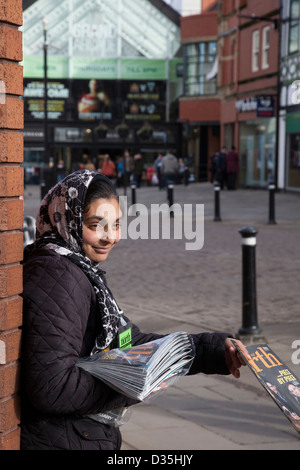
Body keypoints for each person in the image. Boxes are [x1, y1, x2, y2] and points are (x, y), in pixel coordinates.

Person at [21, 169, 250, 450]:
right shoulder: (56, 273)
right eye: (96, 225)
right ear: (68, 218)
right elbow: (52, 387)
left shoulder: (77, 268)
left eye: (116, 224)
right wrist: (131, 380)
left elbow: (128, 340)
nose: (110, 237)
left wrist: (207, 350)